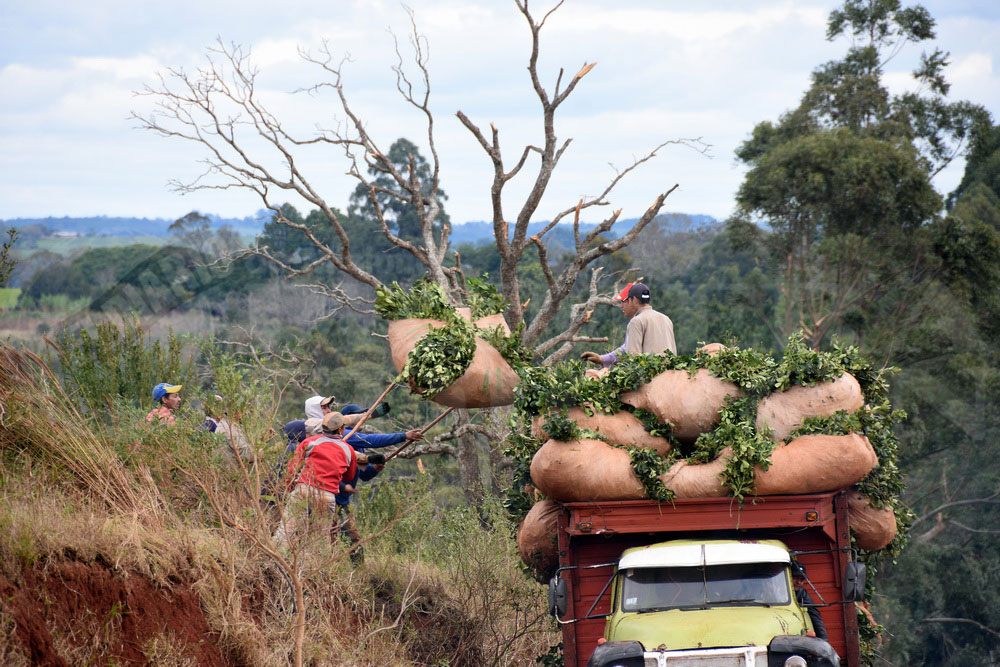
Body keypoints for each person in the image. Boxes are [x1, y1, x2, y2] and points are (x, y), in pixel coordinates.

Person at [330, 403, 423, 562]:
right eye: (359, 417)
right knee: (335, 537)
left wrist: (375, 469)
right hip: (333, 497)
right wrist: (404, 436)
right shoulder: (347, 435)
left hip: (343, 500)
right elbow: (372, 440)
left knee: (353, 539)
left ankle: (357, 571)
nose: (363, 420)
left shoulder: (357, 443)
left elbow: (363, 475)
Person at [274, 411, 364, 547]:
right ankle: (312, 560)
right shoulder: (348, 450)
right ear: (341, 429)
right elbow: (349, 476)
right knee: (318, 540)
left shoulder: (309, 442)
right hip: (327, 496)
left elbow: (292, 469)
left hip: (303, 490)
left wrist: (289, 487)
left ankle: (273, 557)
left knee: (286, 531)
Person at [580, 282, 676, 368]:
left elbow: (633, 359)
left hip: (651, 376)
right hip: (671, 372)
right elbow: (626, 348)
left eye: (623, 302)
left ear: (634, 300)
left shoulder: (637, 321)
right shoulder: (666, 319)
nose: (621, 306)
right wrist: (602, 359)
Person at [791, 561, 828, 640]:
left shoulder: (802, 593)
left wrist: (823, 640)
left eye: (801, 580)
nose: (798, 582)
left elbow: (814, 614)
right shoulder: (775, 591)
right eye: (795, 578)